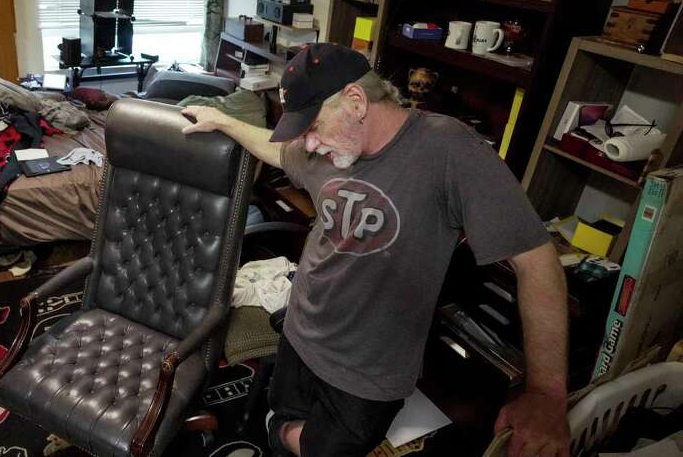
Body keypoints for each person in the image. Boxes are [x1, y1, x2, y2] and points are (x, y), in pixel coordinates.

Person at [182, 44, 570, 457]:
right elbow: (279, 150)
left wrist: (547, 393)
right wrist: (222, 120)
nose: (309, 145)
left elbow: (538, 261)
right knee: (283, 420)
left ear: (355, 101)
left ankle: (280, 433)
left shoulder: (449, 150)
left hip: (368, 369)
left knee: (327, 447)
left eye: (313, 128)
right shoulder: (331, 145)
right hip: (300, 330)